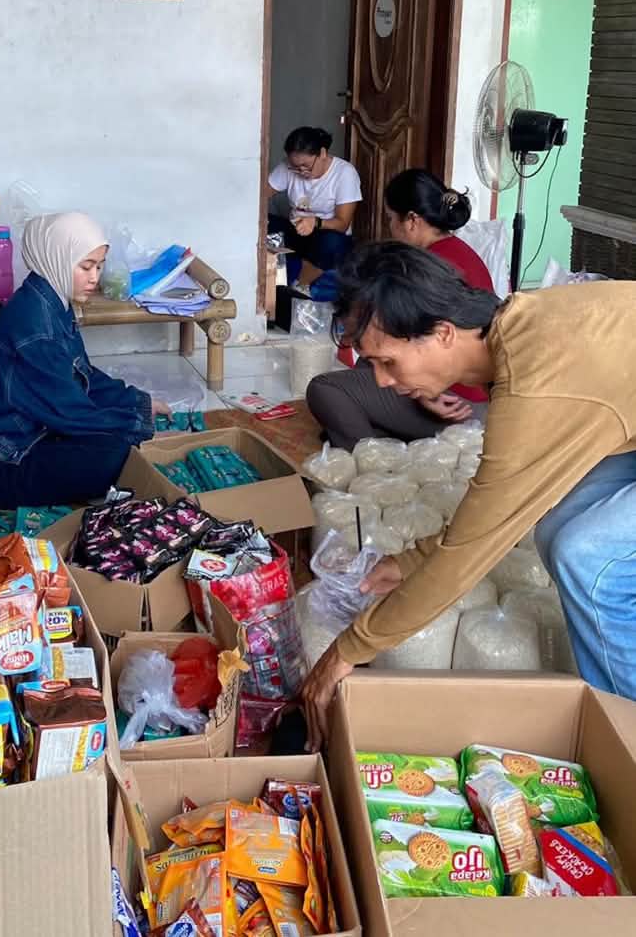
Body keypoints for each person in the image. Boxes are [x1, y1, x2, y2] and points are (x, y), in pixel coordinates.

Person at [301, 242, 636, 750]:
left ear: (442, 333)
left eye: (388, 362)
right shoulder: (521, 327)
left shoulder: (536, 383)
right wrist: (413, 559)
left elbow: (471, 554)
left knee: (588, 557)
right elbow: (497, 511)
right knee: (554, 521)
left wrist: (350, 649)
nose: (384, 382)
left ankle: (623, 733)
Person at [0, 212, 168, 508]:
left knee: (116, 434)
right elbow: (70, 412)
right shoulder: (37, 329)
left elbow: (82, 373)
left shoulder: (50, 298)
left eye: (99, 267)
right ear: (57, 259)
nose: (94, 278)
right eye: (85, 267)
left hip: (26, 432)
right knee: (114, 453)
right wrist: (136, 424)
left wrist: (137, 403)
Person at [307, 169, 494, 448]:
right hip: (465, 392)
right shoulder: (458, 253)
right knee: (371, 359)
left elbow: (429, 346)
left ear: (412, 220)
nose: (390, 227)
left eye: (391, 218)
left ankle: (375, 460)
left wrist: (424, 394)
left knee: (326, 389)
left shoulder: (418, 271)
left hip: (459, 404)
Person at [268, 126, 361, 291]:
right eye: (295, 167)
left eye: (306, 166)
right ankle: (275, 280)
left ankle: (298, 285)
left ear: (322, 153)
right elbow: (260, 196)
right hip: (296, 229)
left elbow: (342, 223)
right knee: (265, 223)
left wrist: (315, 222)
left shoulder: (344, 173)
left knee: (333, 244)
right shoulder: (287, 167)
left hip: (326, 232)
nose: (301, 171)